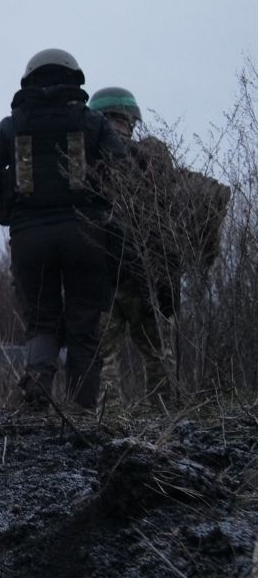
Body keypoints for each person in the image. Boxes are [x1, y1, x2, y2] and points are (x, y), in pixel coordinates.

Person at [0, 50, 128, 412]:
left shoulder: (10, 127)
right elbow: (128, 182)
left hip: (30, 240)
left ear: (29, 81)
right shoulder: (94, 123)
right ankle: (81, 414)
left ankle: (36, 403)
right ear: (74, 80)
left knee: (42, 324)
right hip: (87, 237)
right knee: (84, 329)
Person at [88, 87, 175, 401]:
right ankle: (166, 415)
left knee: (104, 355)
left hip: (102, 272)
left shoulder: (86, 160)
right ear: (128, 120)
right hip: (143, 271)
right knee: (156, 353)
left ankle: (108, 422)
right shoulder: (147, 158)